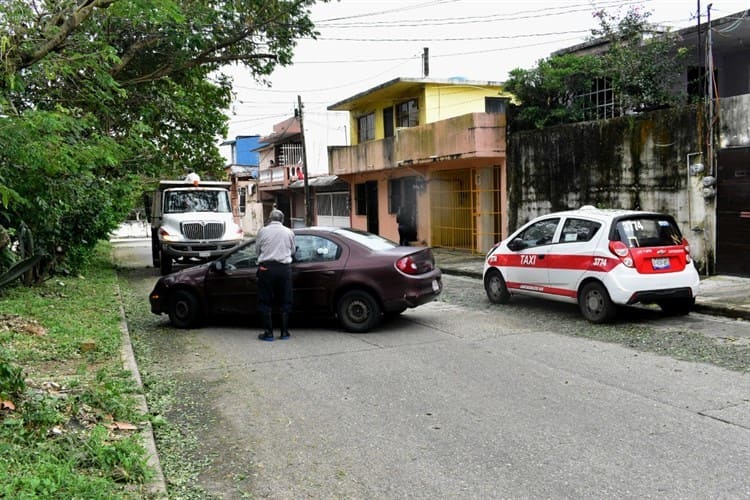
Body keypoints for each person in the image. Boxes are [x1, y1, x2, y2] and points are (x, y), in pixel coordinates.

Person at [255, 208, 295, 341]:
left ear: (270, 219)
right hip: (284, 269)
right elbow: (293, 250)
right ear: (282, 220)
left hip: (266, 269)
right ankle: (284, 332)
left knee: (265, 299)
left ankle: (268, 333)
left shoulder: (263, 231)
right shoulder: (289, 232)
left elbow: (257, 250)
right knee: (285, 299)